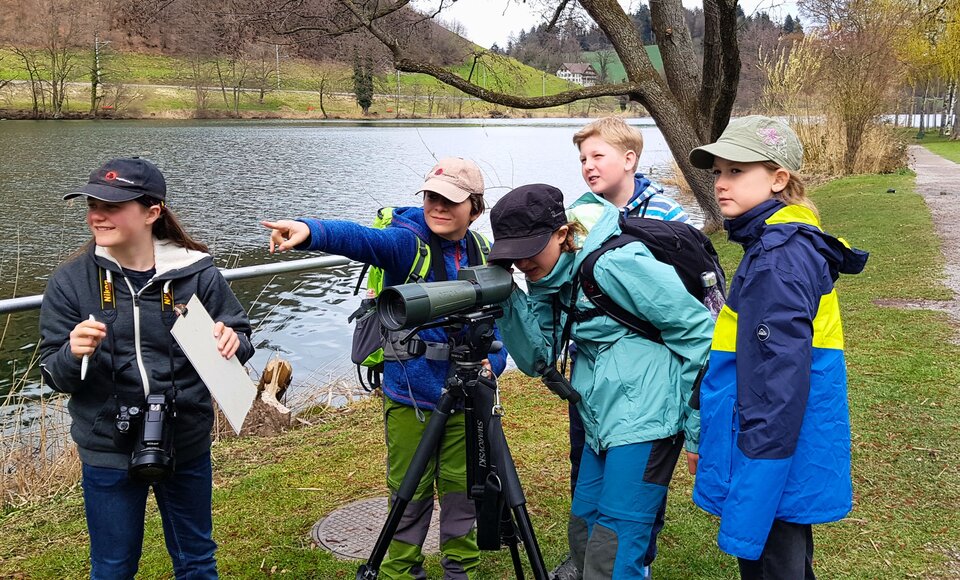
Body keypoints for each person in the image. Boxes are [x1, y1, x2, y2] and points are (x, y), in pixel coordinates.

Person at [262, 157, 508, 580]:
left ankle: (459, 569)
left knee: (461, 489)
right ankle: (401, 571)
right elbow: (362, 240)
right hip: (410, 395)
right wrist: (309, 231)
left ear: (475, 207)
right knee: (409, 492)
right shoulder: (407, 243)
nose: (438, 207)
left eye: (450, 200)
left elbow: (495, 321)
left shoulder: (481, 251)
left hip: (466, 395)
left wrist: (496, 359)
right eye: (431, 197)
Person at [38, 157, 255, 580]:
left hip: (186, 440)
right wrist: (73, 353)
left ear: (152, 212)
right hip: (107, 448)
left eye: (112, 205)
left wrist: (234, 341)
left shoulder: (199, 273)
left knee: (196, 561)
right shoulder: (70, 282)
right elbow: (53, 373)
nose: (97, 214)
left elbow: (242, 336)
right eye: (91, 203)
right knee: (113, 568)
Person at [487, 183, 713, 579]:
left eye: (528, 250)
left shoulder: (615, 263)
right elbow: (537, 359)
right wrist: (509, 299)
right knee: (585, 526)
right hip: (601, 418)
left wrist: (698, 429)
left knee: (617, 543)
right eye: (512, 256)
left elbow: (701, 335)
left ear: (562, 233)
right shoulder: (552, 276)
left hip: (648, 417)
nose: (521, 263)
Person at [687, 116, 868, 578]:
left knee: (773, 560)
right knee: (786, 555)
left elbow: (776, 383)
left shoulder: (777, 257)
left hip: (769, 443)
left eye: (736, 171)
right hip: (781, 435)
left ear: (779, 179)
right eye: (718, 173)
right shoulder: (783, 242)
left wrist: (756, 476)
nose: (721, 184)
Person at [554, 115, 693, 580]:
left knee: (636, 490)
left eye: (598, 156)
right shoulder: (576, 218)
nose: (588, 167)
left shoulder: (665, 218)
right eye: (582, 159)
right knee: (588, 464)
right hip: (593, 378)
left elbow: (689, 304)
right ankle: (591, 558)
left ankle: (634, 559)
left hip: (648, 383)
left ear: (630, 159)